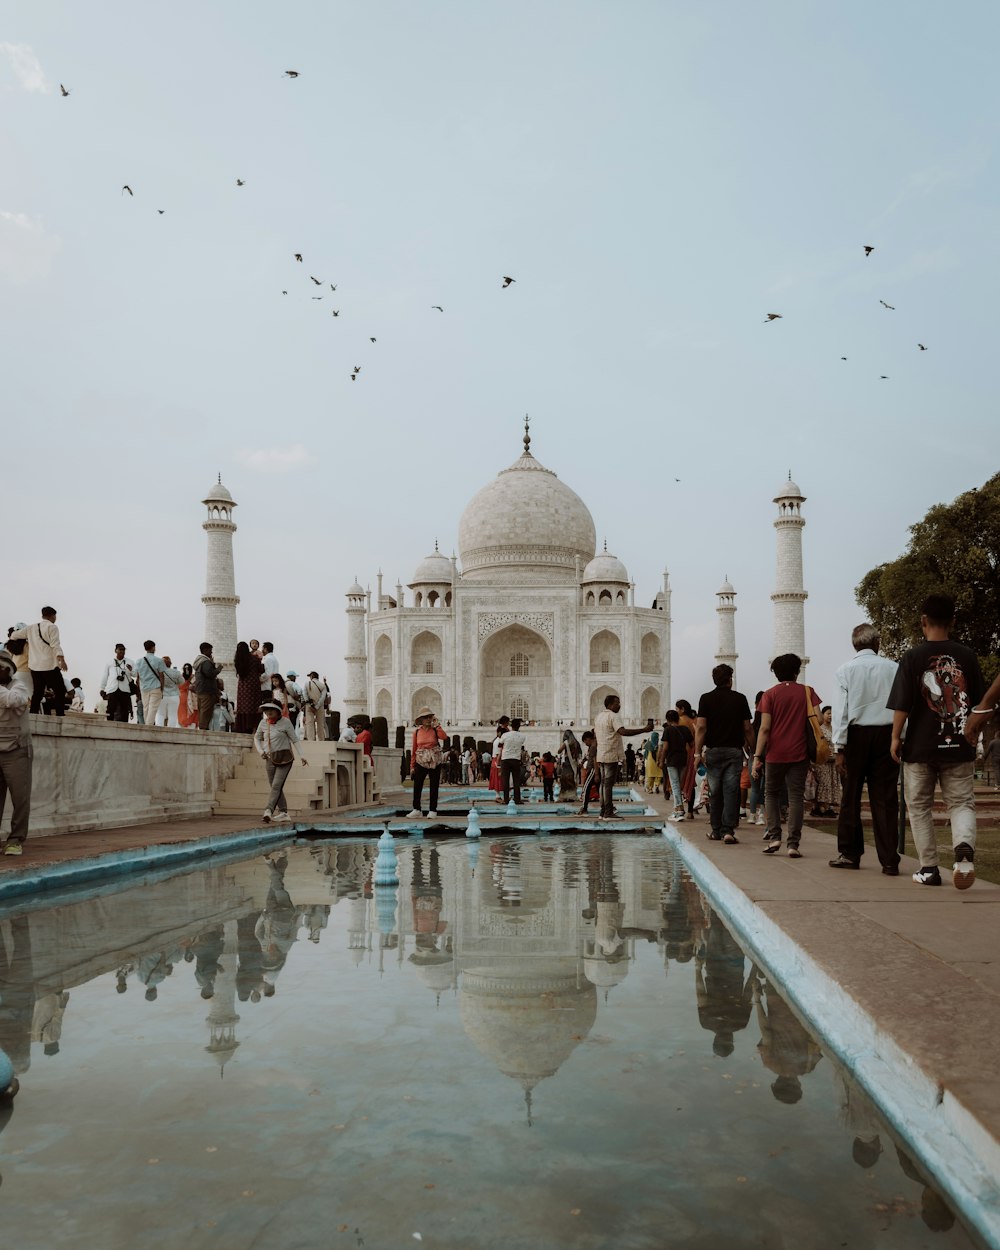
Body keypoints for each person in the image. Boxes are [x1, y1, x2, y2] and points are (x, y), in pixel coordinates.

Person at [888, 592, 985, 888]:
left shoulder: (912, 657)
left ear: (923, 621)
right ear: (953, 622)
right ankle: (963, 850)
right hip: (959, 743)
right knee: (961, 804)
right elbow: (980, 704)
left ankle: (929, 869)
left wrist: (895, 737)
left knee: (919, 807)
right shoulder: (967, 656)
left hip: (920, 746)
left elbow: (903, 704)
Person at [827, 624, 901, 873]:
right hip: (887, 734)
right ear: (877, 643)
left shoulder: (845, 671)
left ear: (854, 644)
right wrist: (899, 737)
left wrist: (839, 747)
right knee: (885, 800)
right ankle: (890, 859)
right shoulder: (893, 668)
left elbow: (841, 711)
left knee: (850, 798)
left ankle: (850, 853)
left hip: (856, 736)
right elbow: (903, 706)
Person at [752, 654, 821, 858]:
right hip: (799, 752)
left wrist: (757, 756)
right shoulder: (808, 692)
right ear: (797, 671)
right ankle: (793, 844)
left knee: (771, 794)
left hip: (775, 753)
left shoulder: (769, 694)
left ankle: (774, 837)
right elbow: (817, 718)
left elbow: (764, 729)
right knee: (795, 797)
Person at [694, 664, 754, 844]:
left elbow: (702, 727)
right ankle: (728, 831)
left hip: (713, 751)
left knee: (715, 792)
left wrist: (697, 753)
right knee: (730, 791)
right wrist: (756, 751)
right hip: (733, 751)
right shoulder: (740, 699)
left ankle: (715, 831)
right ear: (730, 679)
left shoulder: (706, 699)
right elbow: (747, 728)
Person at [594, 695, 650, 819]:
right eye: (617, 703)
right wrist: (644, 730)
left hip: (601, 754)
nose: (619, 705)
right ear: (609, 704)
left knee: (603, 784)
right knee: (607, 784)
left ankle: (603, 812)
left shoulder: (599, 716)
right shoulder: (613, 716)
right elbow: (623, 732)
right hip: (611, 754)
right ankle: (608, 812)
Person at [253, 701, 307, 822]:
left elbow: (295, 739)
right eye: (266, 710)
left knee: (276, 785)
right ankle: (283, 812)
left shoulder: (286, 722)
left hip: (285, 759)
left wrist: (302, 755)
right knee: (275, 787)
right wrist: (261, 751)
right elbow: (256, 738)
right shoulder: (263, 723)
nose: (268, 712)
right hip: (270, 759)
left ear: (278, 711)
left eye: (271, 709)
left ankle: (268, 810)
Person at [0, 650, 32, 856]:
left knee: (20, 798)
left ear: (8, 670)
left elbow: (15, 700)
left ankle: (15, 840)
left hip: (17, 751)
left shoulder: (18, 686)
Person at [10, 608, 67, 715]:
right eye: (55, 616)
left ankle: (33, 714)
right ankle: (60, 714)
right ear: (52, 616)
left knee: (37, 692)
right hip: (49, 665)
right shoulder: (52, 627)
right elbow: (55, 644)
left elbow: (13, 635)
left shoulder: (31, 628)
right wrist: (62, 660)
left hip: (35, 666)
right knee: (60, 690)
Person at [407, 707, 448, 818]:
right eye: (426, 717)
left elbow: (444, 737)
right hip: (421, 760)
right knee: (417, 785)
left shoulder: (435, 730)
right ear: (421, 719)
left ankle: (432, 810)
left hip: (434, 760)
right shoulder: (417, 732)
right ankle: (417, 809)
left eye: (430, 717)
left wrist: (437, 725)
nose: (428, 719)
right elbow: (414, 749)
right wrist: (412, 766)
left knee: (434, 786)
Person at [658, 709, 693, 822]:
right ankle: (677, 809)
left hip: (672, 760)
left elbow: (665, 747)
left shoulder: (668, 730)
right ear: (678, 718)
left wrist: (661, 760)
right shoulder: (685, 729)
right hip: (683, 759)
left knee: (675, 784)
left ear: (668, 720)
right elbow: (692, 743)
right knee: (679, 784)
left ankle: (679, 810)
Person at [810, 708, 840, 817]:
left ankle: (821, 808)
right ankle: (824, 808)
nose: (830, 716)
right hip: (822, 761)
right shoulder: (819, 729)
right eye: (828, 713)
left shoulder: (835, 728)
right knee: (824, 784)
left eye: (832, 713)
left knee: (832, 783)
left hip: (833, 761)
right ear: (823, 715)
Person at [100, 643, 136, 723]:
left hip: (125, 689)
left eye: (123, 650)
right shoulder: (110, 662)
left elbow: (136, 674)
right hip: (113, 688)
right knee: (110, 709)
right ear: (115, 650)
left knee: (124, 710)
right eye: (120, 649)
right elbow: (105, 676)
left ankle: (124, 728)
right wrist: (102, 688)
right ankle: (109, 725)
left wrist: (131, 670)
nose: (122, 651)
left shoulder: (130, 662)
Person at [234, 641, 264, 734]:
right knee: (253, 705)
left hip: (243, 686)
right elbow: (261, 669)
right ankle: (252, 727)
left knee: (242, 705)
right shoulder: (253, 659)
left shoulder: (237, 660)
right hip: (253, 685)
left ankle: (242, 727)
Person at [135, 640, 166, 727]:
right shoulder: (159, 661)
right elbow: (161, 676)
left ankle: (146, 725)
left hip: (144, 687)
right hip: (155, 687)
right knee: (153, 708)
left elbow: (138, 677)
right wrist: (162, 688)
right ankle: (148, 726)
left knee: (146, 708)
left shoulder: (139, 661)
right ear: (153, 648)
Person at [192, 642, 221, 731]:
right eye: (210, 651)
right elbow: (210, 674)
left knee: (202, 710)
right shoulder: (205, 662)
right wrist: (218, 669)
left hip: (200, 689)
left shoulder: (199, 661)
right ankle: (203, 729)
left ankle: (202, 728)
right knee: (206, 711)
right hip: (207, 690)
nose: (211, 653)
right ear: (205, 650)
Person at [498, 718, 527, 806]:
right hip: (516, 759)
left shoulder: (505, 735)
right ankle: (517, 799)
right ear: (519, 726)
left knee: (505, 780)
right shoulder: (522, 736)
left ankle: (506, 799)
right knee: (516, 781)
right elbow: (521, 744)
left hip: (505, 759)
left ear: (511, 726)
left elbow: (500, 744)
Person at [156, 656, 183, 727]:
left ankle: (159, 730)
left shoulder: (158, 672)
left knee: (160, 714)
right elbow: (182, 682)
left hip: (162, 695)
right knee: (172, 715)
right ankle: (171, 731)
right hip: (174, 696)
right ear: (170, 663)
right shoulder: (176, 672)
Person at [577, 730, 599, 813]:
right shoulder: (593, 746)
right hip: (594, 770)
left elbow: (595, 760)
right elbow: (588, 757)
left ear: (588, 739)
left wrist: (596, 774)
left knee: (586, 788)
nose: (585, 744)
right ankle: (610, 807)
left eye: (585, 742)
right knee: (600, 790)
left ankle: (584, 808)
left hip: (593, 770)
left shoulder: (593, 746)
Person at [302, 672, 329, 741]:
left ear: (311, 676)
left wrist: (310, 705)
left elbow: (305, 695)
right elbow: (322, 698)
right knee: (320, 724)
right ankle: (321, 740)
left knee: (310, 723)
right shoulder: (323, 685)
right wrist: (317, 706)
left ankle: (311, 740)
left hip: (309, 706)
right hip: (320, 706)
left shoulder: (307, 684)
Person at [177, 662, 196, 728]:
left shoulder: (180, 677)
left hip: (180, 696)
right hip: (190, 697)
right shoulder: (193, 677)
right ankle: (186, 724)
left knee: (181, 711)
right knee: (188, 711)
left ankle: (182, 723)